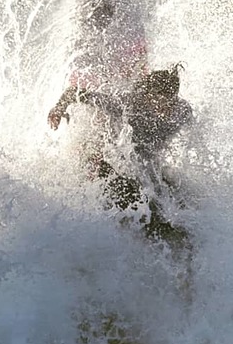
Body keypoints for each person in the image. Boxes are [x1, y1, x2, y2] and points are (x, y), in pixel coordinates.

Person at [48, 65, 193, 246]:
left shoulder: (182, 111)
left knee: (181, 197)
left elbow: (193, 137)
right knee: (138, 203)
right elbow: (74, 92)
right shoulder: (126, 104)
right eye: (158, 101)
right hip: (112, 164)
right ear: (147, 96)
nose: (164, 108)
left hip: (146, 168)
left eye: (170, 102)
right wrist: (59, 108)